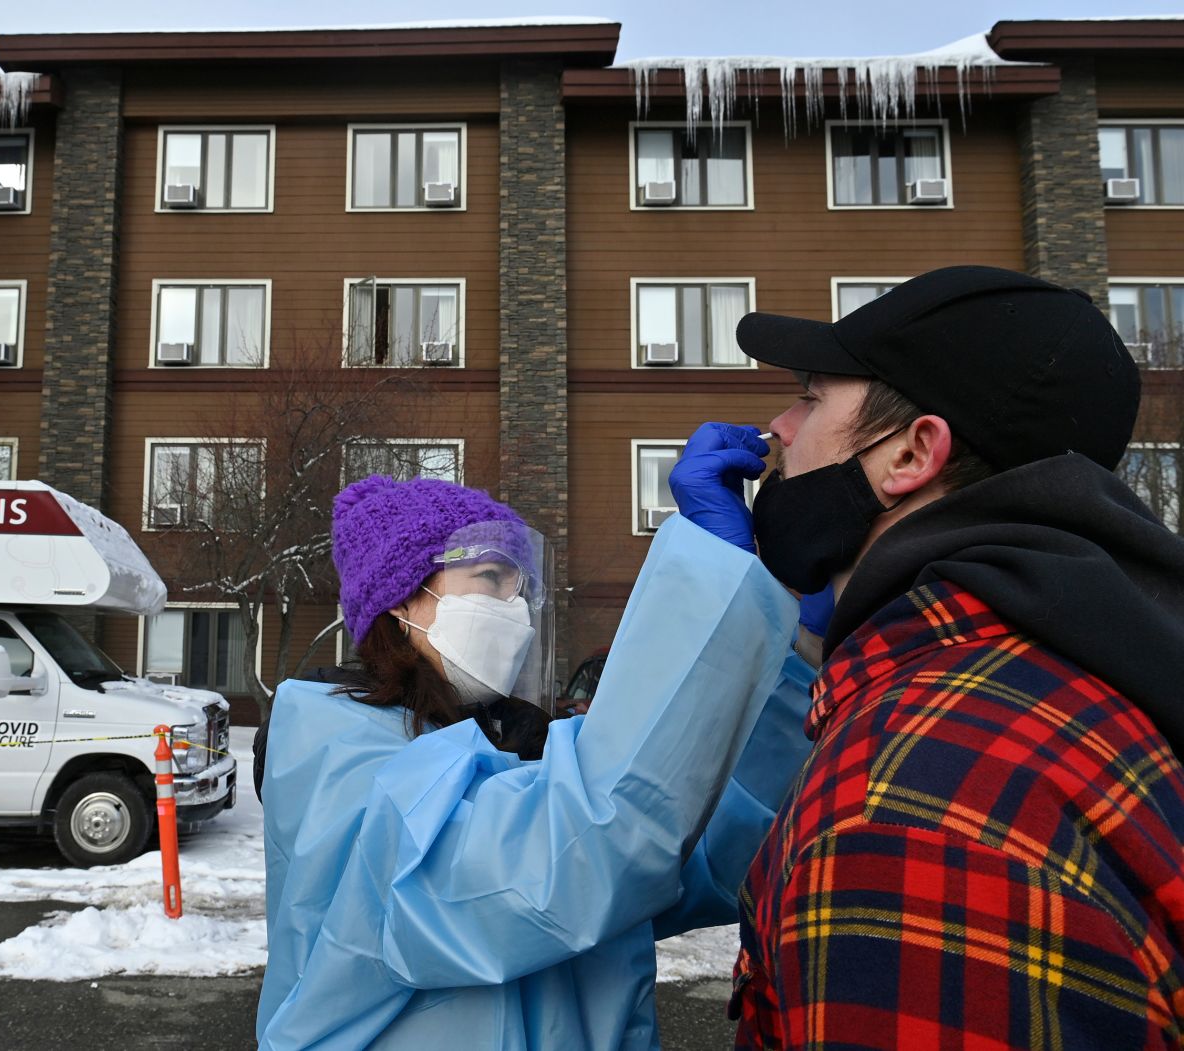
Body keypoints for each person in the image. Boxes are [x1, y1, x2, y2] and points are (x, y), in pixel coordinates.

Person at [719, 265, 1184, 1048]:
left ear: (910, 454)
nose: (779, 428)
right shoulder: (1084, 667)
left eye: (810, 395)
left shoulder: (906, 804)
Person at [257, 473, 820, 1049]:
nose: (517, 608)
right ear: (403, 597)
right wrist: (709, 586)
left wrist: (781, 657)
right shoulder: (336, 750)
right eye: (492, 578)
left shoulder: (511, 750)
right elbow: (570, 863)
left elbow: (703, 852)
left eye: (523, 587)